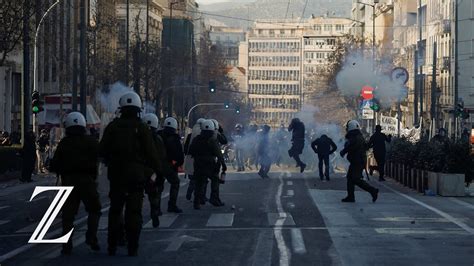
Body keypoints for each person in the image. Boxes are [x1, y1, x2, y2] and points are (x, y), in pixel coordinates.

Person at [100, 92, 161, 256]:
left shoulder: (113, 127)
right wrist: (157, 171)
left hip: (117, 174)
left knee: (115, 211)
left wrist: (109, 161)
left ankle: (112, 245)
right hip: (136, 176)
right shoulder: (141, 127)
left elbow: (102, 150)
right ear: (138, 109)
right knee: (134, 212)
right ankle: (132, 246)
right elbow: (151, 152)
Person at [50, 112, 101, 255]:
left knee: (68, 215)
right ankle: (91, 237)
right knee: (94, 210)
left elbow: (54, 165)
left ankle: (66, 245)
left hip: (69, 182)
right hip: (88, 181)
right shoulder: (91, 141)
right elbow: (100, 156)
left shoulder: (64, 143)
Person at [189, 120, 227, 210]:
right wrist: (223, 165)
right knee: (215, 180)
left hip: (198, 164)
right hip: (210, 165)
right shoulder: (212, 140)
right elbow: (219, 154)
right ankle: (214, 199)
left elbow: (191, 151)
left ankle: (196, 202)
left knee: (199, 183)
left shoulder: (196, 139)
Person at [340, 120, 379, 203]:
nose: (346, 129)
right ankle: (350, 197)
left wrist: (344, 151)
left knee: (356, 179)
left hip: (358, 161)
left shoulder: (355, 137)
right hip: (356, 160)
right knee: (350, 178)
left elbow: (352, 146)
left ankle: (373, 191)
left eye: (347, 127)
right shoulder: (356, 136)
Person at [142, 113, 168, 228]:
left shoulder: (137, 135)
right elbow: (161, 156)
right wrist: (159, 171)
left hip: (138, 169)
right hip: (152, 171)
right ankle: (155, 209)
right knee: (154, 193)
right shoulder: (157, 139)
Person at [157, 117, 184, 213]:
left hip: (156, 164)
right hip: (169, 165)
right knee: (175, 182)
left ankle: (157, 208)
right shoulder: (175, 138)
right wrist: (177, 165)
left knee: (158, 186)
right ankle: (172, 205)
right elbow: (179, 155)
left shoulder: (158, 135)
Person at [184, 118, 206, 201]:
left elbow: (185, 149)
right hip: (200, 160)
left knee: (193, 179)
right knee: (201, 179)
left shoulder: (190, 135)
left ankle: (190, 194)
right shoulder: (203, 137)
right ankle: (200, 196)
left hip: (190, 160)